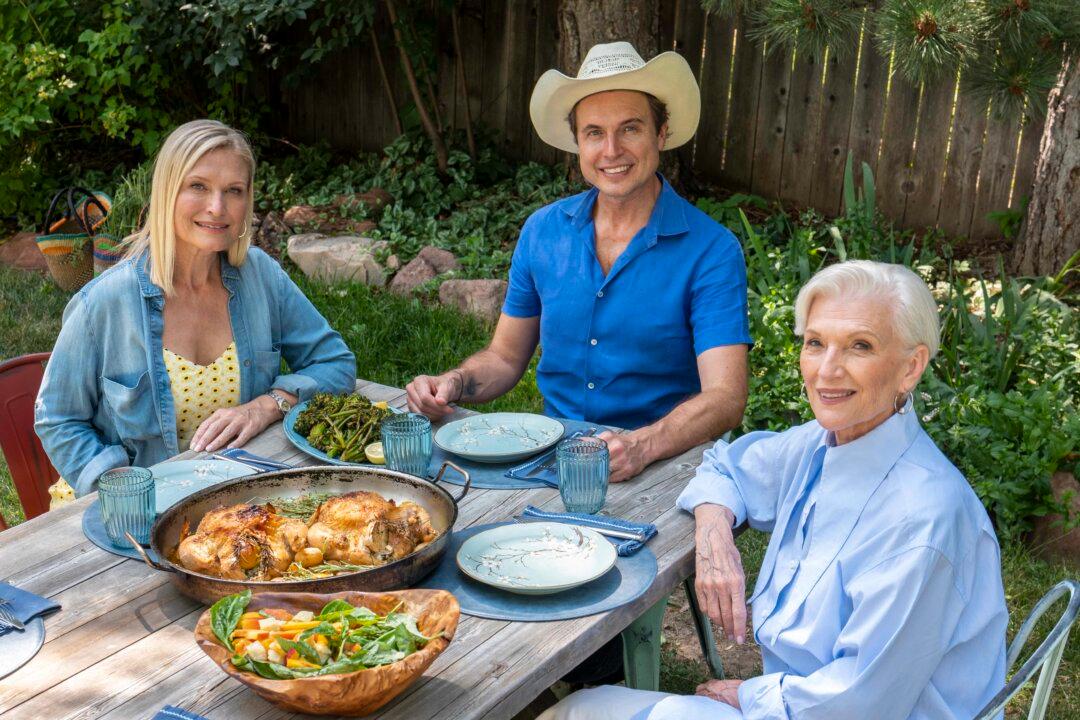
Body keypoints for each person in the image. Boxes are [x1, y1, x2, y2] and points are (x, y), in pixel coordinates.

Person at [540, 260, 1008, 719]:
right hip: (808, 704)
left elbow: (861, 702)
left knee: (577, 711)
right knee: (580, 708)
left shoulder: (922, 519)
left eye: (859, 346)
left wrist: (755, 697)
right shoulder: (820, 444)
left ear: (910, 368)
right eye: (815, 343)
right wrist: (713, 535)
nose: (827, 370)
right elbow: (725, 466)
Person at [407, 42, 751, 483]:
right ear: (578, 143)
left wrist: (643, 444)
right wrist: (454, 382)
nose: (611, 150)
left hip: (665, 464)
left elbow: (725, 397)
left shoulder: (712, 250)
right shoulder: (542, 231)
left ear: (661, 134)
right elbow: (505, 358)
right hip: (551, 457)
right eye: (594, 133)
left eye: (630, 129)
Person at [35, 119, 356, 495]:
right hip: (130, 513)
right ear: (167, 191)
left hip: (238, 505)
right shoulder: (103, 302)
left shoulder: (261, 277)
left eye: (233, 190)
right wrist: (120, 486)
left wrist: (267, 406)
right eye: (198, 186)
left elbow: (335, 363)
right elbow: (58, 419)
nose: (217, 207)